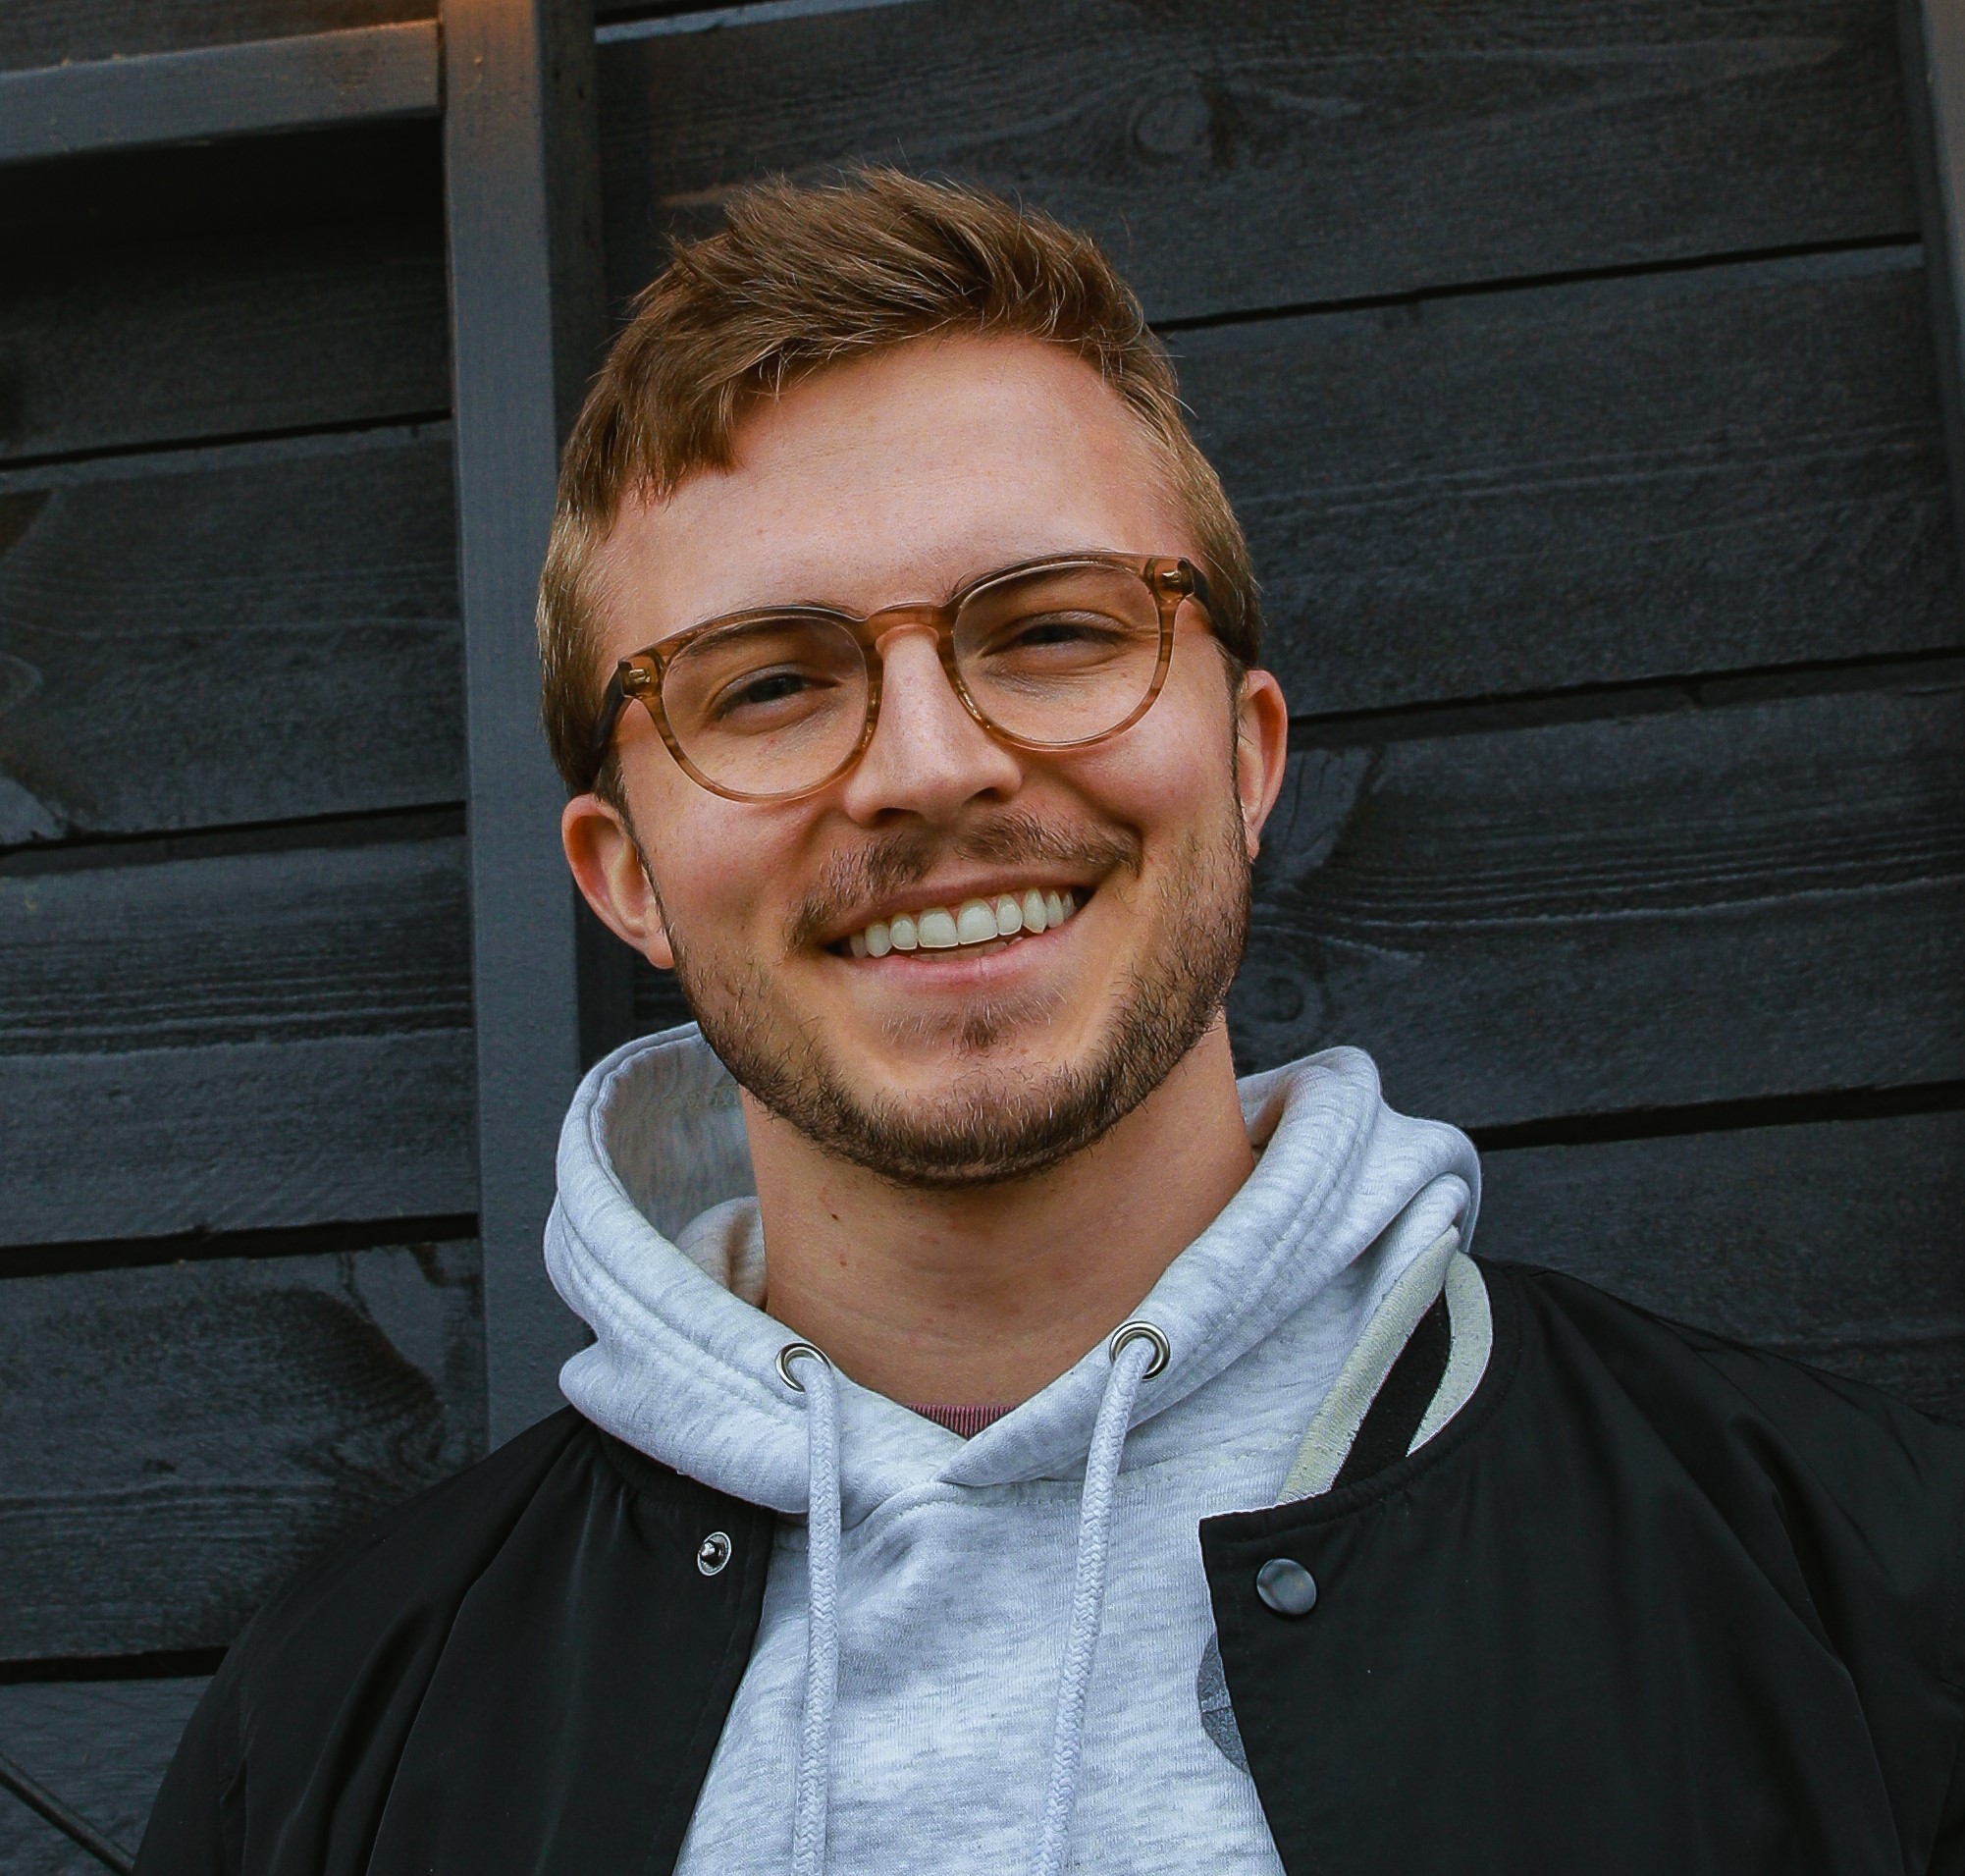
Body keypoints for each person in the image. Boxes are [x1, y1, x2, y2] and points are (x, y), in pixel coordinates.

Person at [138, 170, 1963, 1876]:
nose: (930, 766)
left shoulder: (1867, 1584)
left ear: (1242, 755)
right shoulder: (330, 1734)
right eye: (767, 685)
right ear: (625, 876)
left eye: (1053, 632)